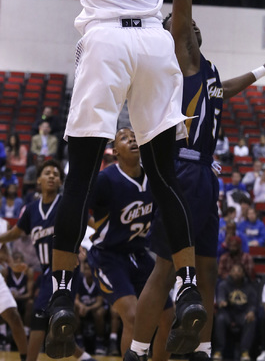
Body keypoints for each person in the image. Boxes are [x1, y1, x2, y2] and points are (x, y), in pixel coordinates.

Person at [47, 0, 206, 359]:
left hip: (107, 40)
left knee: (81, 173)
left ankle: (61, 295)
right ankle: (188, 289)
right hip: (156, 43)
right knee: (163, 176)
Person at [124, 0, 265, 361]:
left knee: (209, 270)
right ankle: (137, 349)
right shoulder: (183, 57)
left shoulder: (209, 71)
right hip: (183, 171)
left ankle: (203, 351)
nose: (187, 27)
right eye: (182, 25)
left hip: (204, 179)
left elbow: (227, 89)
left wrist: (264, 70)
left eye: (190, 27)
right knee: (165, 267)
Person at [87, 127, 173, 361]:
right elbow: (76, 205)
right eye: (125, 138)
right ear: (115, 151)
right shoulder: (105, 179)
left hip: (139, 254)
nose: (132, 140)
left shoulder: (153, 177)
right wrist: (96, 227)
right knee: (133, 316)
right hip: (107, 257)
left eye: (135, 137)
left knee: (168, 317)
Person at [0, 159, 96, 361]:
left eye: (56, 174)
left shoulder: (66, 203)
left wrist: (82, 245)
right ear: (38, 180)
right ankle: (85, 357)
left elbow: (89, 224)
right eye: (47, 173)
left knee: (38, 316)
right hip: (45, 271)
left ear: (61, 182)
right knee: (55, 324)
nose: (52, 176)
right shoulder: (31, 209)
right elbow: (17, 232)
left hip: (65, 269)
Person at [212, 263, 257, 361]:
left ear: (243, 274)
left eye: (239, 271)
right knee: (220, 318)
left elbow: (253, 304)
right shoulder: (223, 285)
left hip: (242, 314)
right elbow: (220, 298)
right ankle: (218, 350)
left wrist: (251, 311)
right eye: (234, 270)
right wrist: (221, 302)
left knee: (251, 320)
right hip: (228, 313)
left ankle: (245, 352)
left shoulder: (249, 286)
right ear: (230, 273)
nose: (236, 273)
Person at [0, 218, 28, 361]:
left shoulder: (4, 224)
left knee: (14, 316)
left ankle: (26, 358)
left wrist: (12, 264)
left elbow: (3, 248)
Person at [74, 261, 107, 355]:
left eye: (89, 269)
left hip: (95, 308)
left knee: (99, 312)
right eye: (85, 269)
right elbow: (76, 299)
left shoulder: (98, 280)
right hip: (83, 308)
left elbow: (99, 303)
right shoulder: (79, 279)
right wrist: (81, 306)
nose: (87, 271)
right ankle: (79, 339)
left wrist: (87, 308)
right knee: (74, 309)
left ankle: (99, 341)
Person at [3, 251, 34, 336]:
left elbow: (29, 294)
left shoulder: (28, 272)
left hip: (22, 300)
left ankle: (26, 331)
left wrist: (17, 297)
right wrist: (10, 297)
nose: (18, 263)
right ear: (11, 262)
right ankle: (3, 333)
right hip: (9, 301)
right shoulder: (6, 271)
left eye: (20, 261)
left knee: (30, 303)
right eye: (16, 260)